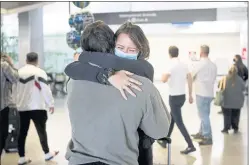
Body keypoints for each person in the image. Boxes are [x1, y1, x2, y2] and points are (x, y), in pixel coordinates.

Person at [65, 21, 171, 165]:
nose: (125, 53)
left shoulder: (73, 81)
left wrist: (85, 58)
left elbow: (72, 68)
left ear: (141, 50)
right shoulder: (142, 85)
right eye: (120, 48)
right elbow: (160, 131)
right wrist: (107, 75)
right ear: (111, 47)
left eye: (132, 50)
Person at [14, 52, 58, 165]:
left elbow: (14, 89)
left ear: (26, 60)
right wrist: (51, 104)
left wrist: (16, 103)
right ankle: (47, 154)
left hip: (22, 107)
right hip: (37, 106)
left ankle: (22, 157)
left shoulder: (18, 73)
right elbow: (45, 89)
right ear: (37, 60)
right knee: (41, 131)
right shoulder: (40, 72)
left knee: (22, 132)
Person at [158, 46, 196, 154]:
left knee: (179, 122)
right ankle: (165, 140)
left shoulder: (170, 64)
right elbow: (189, 78)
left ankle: (190, 145)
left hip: (173, 97)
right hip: (182, 96)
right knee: (172, 119)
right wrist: (190, 94)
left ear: (169, 54)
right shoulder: (184, 65)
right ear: (177, 53)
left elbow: (164, 80)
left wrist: (163, 76)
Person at [191, 45, 217, 145]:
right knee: (205, 114)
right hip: (209, 93)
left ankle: (207, 136)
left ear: (201, 52)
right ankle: (201, 132)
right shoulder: (213, 65)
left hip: (201, 92)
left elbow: (191, 75)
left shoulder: (200, 64)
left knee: (203, 116)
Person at [0, 54, 19, 162]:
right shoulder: (4, 66)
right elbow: (15, 78)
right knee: (2, 133)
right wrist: (11, 64)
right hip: (2, 106)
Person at [219, 65, 245, 133]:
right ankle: (235, 127)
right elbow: (243, 88)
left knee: (227, 115)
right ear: (237, 71)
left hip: (227, 101)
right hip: (238, 101)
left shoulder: (225, 78)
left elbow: (219, 86)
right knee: (236, 114)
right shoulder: (240, 79)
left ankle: (226, 128)